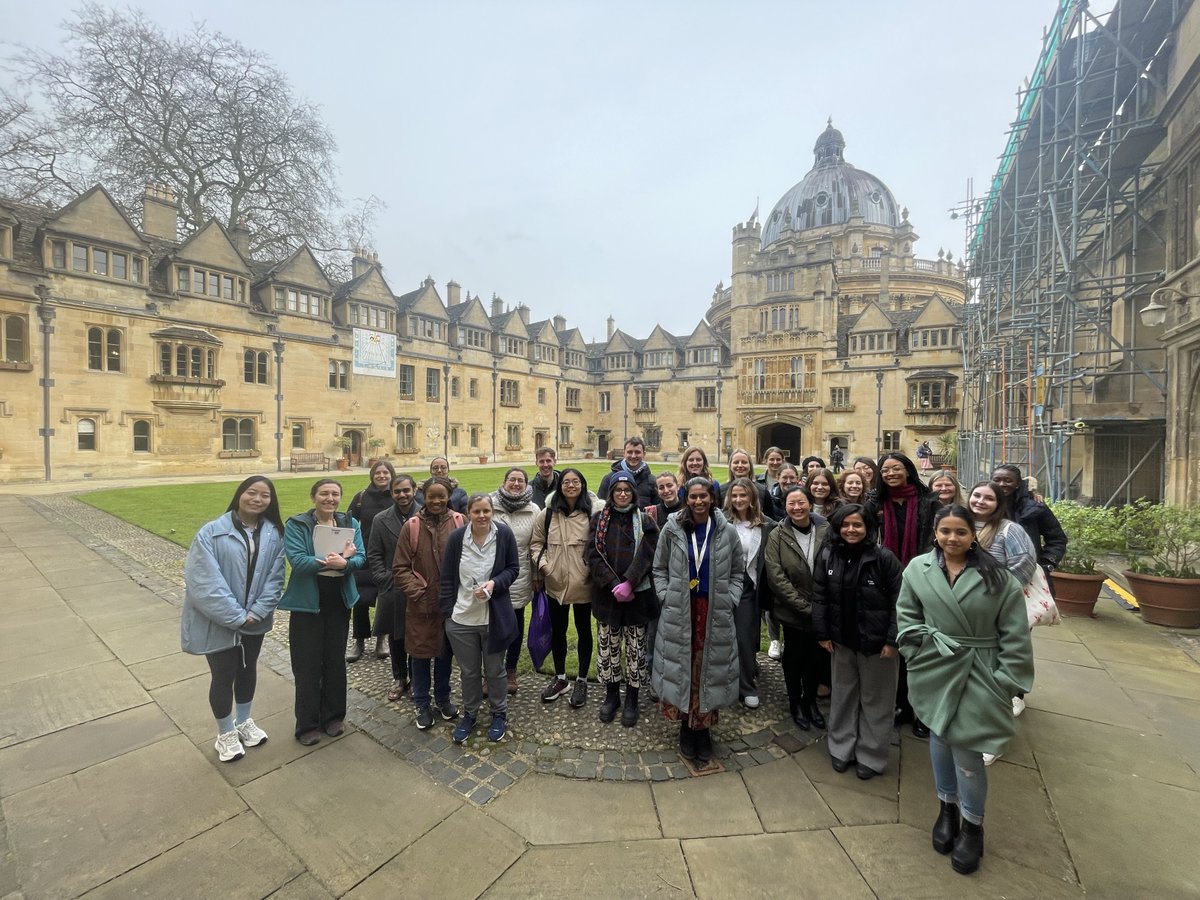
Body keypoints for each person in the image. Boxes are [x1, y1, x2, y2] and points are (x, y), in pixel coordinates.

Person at [897, 505, 1034, 876]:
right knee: (939, 738)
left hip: (980, 670)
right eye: (945, 531)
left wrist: (1005, 682)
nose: (952, 538)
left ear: (973, 535)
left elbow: (1015, 636)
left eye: (960, 531)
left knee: (969, 753)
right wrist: (915, 653)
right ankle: (947, 810)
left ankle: (973, 827)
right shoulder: (917, 569)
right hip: (935, 667)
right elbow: (907, 617)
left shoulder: (998, 578)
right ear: (935, 533)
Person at [182, 476, 286, 762]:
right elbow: (203, 580)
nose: (257, 499)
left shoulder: (274, 533)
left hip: (256, 619)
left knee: (247, 668)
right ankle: (225, 732)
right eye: (252, 492)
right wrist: (236, 616)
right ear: (240, 494)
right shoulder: (211, 532)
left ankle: (243, 722)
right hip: (219, 620)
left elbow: (276, 577)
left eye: (264, 495)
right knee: (223, 674)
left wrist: (256, 612)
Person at [652, 477, 745, 764]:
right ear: (686, 498)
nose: (698, 501)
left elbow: (738, 572)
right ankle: (685, 726)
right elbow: (659, 567)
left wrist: (730, 598)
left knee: (707, 666)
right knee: (683, 664)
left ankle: (703, 728)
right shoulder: (672, 528)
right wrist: (666, 595)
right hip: (681, 607)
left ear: (713, 498)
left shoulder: (726, 531)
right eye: (693, 496)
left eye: (703, 496)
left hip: (713, 608)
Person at [812, 504, 903, 779]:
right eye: (846, 525)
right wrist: (823, 633)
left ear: (868, 529)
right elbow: (820, 597)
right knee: (843, 696)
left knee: (877, 701)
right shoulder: (828, 555)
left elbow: (901, 602)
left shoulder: (884, 559)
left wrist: (892, 639)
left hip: (877, 644)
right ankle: (841, 748)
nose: (851, 530)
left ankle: (871, 755)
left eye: (858, 525)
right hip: (842, 641)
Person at [280, 478, 365, 745]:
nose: (330, 498)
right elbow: (297, 560)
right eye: (324, 493)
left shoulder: (350, 523)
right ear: (314, 496)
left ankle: (334, 716)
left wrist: (347, 562)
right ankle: (307, 724)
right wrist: (335, 561)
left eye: (335, 494)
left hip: (338, 600)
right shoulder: (297, 524)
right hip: (308, 601)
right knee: (307, 664)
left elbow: (361, 557)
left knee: (334, 660)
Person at [866, 452, 941, 739]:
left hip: (922, 580)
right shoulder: (876, 503)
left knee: (920, 648)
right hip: (887, 581)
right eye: (885, 470)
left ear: (909, 470)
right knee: (895, 646)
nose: (891, 474)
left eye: (896, 468)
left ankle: (922, 711)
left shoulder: (929, 502)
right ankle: (900, 705)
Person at [439, 494, 520, 743]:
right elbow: (447, 577)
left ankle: (498, 714)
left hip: (493, 618)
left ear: (492, 511)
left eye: (486, 511)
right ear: (468, 513)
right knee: (469, 672)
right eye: (477, 511)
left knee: (495, 671)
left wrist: (495, 584)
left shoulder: (503, 535)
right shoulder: (457, 538)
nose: (482, 516)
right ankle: (470, 714)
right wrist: (449, 612)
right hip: (462, 619)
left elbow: (513, 569)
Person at [586, 472, 660, 727]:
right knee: (608, 649)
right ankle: (611, 695)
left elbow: (648, 554)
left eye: (627, 490)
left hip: (637, 597)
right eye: (617, 490)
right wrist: (614, 582)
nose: (622, 494)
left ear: (633, 493)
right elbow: (593, 553)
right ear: (611, 493)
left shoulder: (646, 521)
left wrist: (629, 581)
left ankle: (632, 698)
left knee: (636, 650)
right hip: (607, 596)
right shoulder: (599, 520)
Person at [393, 476, 463, 730]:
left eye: (441, 496)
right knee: (420, 656)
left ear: (448, 496)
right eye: (431, 496)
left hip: (450, 604)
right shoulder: (411, 527)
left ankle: (443, 698)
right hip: (420, 606)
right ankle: (422, 703)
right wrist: (419, 592)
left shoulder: (458, 522)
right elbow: (400, 567)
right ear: (423, 496)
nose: (436, 501)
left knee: (445, 655)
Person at [764, 485, 828, 731]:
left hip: (821, 607)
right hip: (792, 611)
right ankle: (795, 702)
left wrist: (820, 605)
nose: (797, 507)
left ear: (810, 504)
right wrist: (804, 606)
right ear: (785, 506)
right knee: (793, 658)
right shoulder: (777, 535)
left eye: (801, 502)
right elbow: (776, 576)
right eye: (791, 503)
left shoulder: (825, 530)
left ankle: (810, 701)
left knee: (816, 658)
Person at [530, 467, 595, 707]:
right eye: (566, 482)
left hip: (583, 584)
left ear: (582, 485)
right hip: (555, 583)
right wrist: (546, 568)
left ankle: (581, 680)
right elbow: (536, 544)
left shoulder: (591, 513)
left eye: (575, 481)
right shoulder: (547, 514)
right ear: (560, 486)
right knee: (558, 631)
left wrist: (589, 569)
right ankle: (560, 679)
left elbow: (597, 546)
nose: (570, 485)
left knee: (584, 631)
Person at [724, 477, 776, 708]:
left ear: (752, 497)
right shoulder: (722, 521)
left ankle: (746, 686)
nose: (738, 500)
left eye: (743, 495)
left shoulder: (767, 524)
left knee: (745, 638)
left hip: (748, 587)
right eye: (734, 495)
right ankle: (723, 684)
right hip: (723, 586)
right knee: (721, 638)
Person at [367, 474, 419, 703]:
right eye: (397, 491)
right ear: (392, 494)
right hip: (392, 585)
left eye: (406, 490)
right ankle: (399, 677)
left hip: (420, 586)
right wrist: (382, 578)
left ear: (415, 490)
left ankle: (417, 678)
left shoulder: (425, 515)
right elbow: (374, 553)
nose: (402, 495)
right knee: (396, 635)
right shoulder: (381, 519)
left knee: (417, 635)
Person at [491, 467, 539, 694]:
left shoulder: (534, 510)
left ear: (527, 484)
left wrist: (537, 575)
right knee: (491, 626)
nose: (516, 483)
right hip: (492, 576)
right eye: (512, 479)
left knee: (516, 626)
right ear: (504, 481)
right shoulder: (490, 504)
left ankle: (510, 670)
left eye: (520, 480)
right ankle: (491, 671)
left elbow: (537, 545)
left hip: (520, 575)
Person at [346, 459, 395, 663]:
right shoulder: (361, 497)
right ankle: (358, 641)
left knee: (384, 598)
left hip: (388, 555)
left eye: (385, 473)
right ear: (372, 476)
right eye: (378, 473)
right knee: (360, 600)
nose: (382, 476)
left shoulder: (397, 495)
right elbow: (348, 523)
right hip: (364, 554)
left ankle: (381, 639)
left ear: (391, 475)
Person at [990, 464, 1068, 582]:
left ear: (1018, 484)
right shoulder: (981, 505)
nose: (1002, 484)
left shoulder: (1034, 507)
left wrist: (1046, 564)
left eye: (1008, 480)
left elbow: (1057, 538)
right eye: (997, 480)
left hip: (1028, 576)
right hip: (989, 574)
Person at [598, 437, 657, 508]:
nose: (633, 456)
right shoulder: (609, 479)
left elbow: (657, 510)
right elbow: (600, 507)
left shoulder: (652, 482)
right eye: (629, 452)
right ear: (624, 453)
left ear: (644, 454)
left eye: (637, 452)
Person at [724, 448, 775, 520]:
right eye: (736, 462)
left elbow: (769, 521)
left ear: (750, 466)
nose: (740, 465)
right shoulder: (721, 490)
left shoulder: (762, 491)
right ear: (730, 466)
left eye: (744, 462)